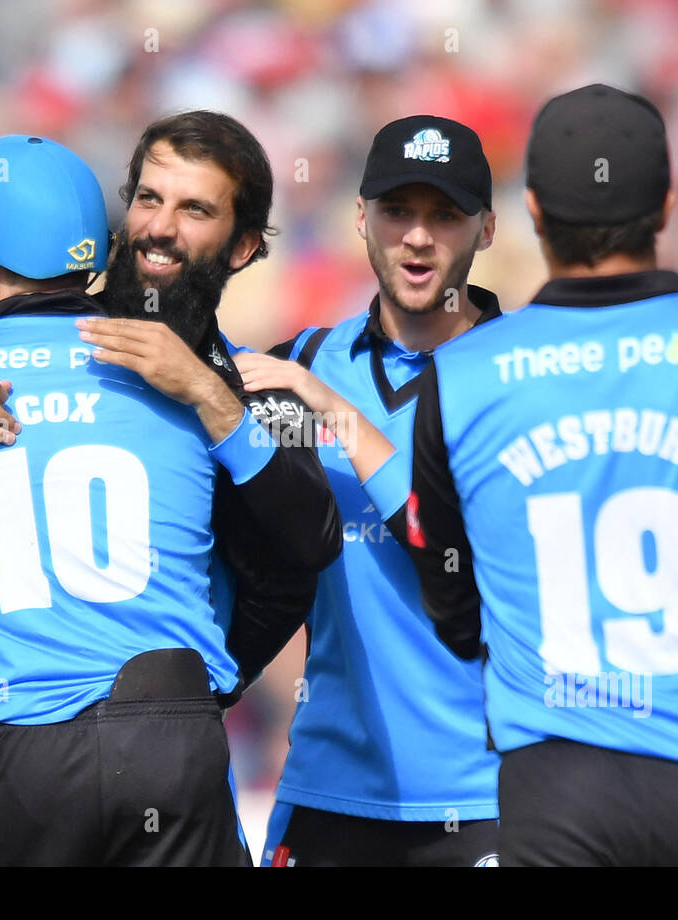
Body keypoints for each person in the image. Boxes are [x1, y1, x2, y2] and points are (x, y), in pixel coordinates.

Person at [0, 127, 340, 865]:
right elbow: (303, 551)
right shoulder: (202, 379)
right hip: (169, 727)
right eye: (150, 198)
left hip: (22, 746)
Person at [399, 84, 678, 865]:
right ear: (668, 204)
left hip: (555, 784)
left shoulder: (463, 375)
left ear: (534, 210)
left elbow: (453, 609)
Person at [230, 117, 501, 866]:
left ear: (486, 229)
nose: (418, 237)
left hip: (487, 796)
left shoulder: (527, 377)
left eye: (445, 215)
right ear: (359, 218)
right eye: (396, 212)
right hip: (327, 788)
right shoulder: (305, 363)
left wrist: (337, 415)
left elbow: (462, 559)